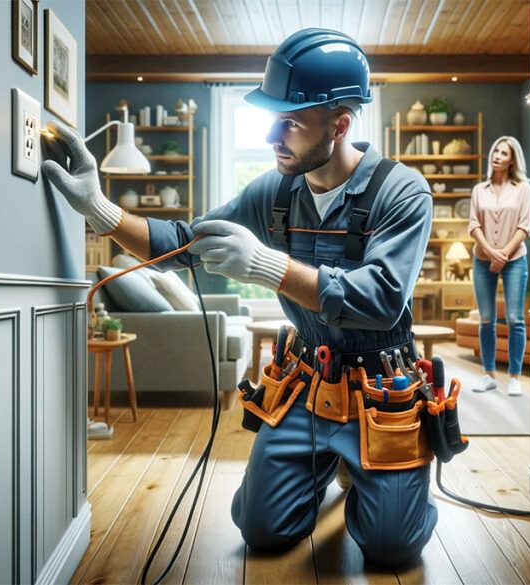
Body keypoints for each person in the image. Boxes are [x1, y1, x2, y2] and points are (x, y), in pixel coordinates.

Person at [41, 28, 437, 567]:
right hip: (311, 382)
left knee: (390, 549)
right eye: (270, 119)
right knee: (261, 530)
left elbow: (382, 299)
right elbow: (184, 243)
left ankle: (369, 475)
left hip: (382, 389)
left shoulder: (401, 191)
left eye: (290, 122)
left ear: (340, 124)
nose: (274, 136)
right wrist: (100, 211)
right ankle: (328, 467)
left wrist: (268, 266)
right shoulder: (272, 192)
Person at [467, 137, 530, 396]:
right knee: (486, 320)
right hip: (483, 259)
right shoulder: (479, 190)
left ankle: (514, 376)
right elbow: (474, 225)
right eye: (495, 150)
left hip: (515, 259)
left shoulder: (523, 189)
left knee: (516, 319)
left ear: (512, 159)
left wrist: (503, 254)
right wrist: (490, 252)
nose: (496, 155)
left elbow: (525, 226)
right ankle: (488, 374)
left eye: (503, 152)